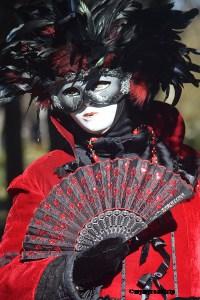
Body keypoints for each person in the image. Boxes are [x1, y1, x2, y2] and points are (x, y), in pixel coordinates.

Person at [0, 1, 200, 299]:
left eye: (100, 84)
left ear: (132, 83)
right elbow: (7, 280)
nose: (87, 105)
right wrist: (73, 273)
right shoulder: (43, 179)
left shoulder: (189, 169)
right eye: (70, 92)